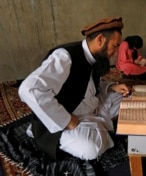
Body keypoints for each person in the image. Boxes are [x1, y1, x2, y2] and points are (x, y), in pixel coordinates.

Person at [18, 17, 131, 161]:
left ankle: (98, 124)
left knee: (126, 98)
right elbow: (29, 89)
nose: (115, 52)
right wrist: (66, 120)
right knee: (90, 149)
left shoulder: (95, 55)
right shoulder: (65, 56)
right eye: (115, 45)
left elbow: (88, 83)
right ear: (101, 40)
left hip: (88, 107)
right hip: (69, 117)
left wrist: (111, 87)